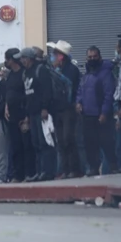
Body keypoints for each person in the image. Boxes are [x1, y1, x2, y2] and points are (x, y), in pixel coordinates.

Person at [78, 46, 117, 175]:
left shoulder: (105, 73)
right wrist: (78, 103)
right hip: (87, 115)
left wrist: (104, 112)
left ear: (99, 57)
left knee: (106, 141)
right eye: (90, 57)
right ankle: (93, 168)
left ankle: (113, 165)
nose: (92, 59)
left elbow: (108, 94)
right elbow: (80, 91)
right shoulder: (86, 74)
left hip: (101, 114)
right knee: (89, 143)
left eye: (95, 57)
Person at [22, 47, 56, 181]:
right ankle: (39, 170)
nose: (22, 60)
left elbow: (47, 90)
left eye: (24, 58)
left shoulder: (40, 70)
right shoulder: (26, 73)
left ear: (30, 58)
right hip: (32, 112)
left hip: (41, 112)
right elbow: (27, 95)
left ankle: (48, 171)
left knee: (45, 142)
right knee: (35, 143)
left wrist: (45, 108)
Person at [51, 41, 83, 179]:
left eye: (55, 54)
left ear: (61, 56)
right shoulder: (57, 70)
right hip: (57, 109)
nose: (52, 57)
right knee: (60, 141)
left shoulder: (71, 69)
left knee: (68, 138)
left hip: (68, 109)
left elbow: (69, 86)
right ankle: (64, 169)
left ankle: (75, 169)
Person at [2, 49, 32, 183]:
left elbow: (27, 95)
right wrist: (6, 107)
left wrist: (27, 116)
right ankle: (17, 174)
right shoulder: (9, 75)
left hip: (23, 114)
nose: (6, 62)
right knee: (15, 146)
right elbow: (8, 93)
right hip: (11, 115)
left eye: (7, 59)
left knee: (26, 145)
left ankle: (28, 173)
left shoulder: (24, 74)